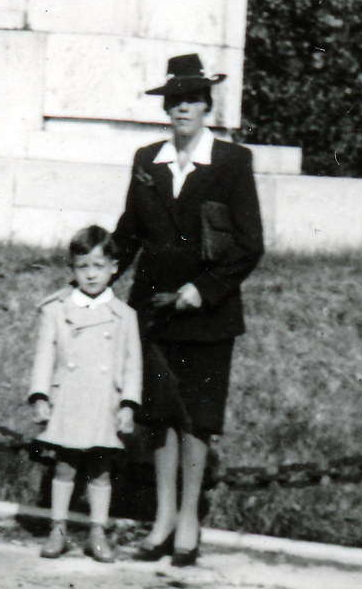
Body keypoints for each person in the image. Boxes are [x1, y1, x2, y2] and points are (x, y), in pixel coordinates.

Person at [112, 54, 263, 568]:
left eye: (193, 99)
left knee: (197, 418)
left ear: (206, 106)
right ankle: (163, 517)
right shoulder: (145, 159)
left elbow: (248, 244)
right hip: (152, 310)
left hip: (207, 313)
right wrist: (90, 280)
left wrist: (203, 290)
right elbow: (128, 233)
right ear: (166, 106)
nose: (183, 108)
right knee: (157, 416)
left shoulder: (231, 162)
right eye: (175, 99)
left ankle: (190, 520)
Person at [27, 225, 143, 561]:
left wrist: (128, 405)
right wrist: (40, 396)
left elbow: (132, 365)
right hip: (68, 398)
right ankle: (58, 530)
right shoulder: (56, 310)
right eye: (83, 267)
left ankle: (97, 532)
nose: (91, 275)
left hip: (104, 401)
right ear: (72, 269)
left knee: (101, 468)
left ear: (114, 268)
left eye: (98, 266)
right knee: (64, 465)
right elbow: (44, 356)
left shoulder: (124, 316)